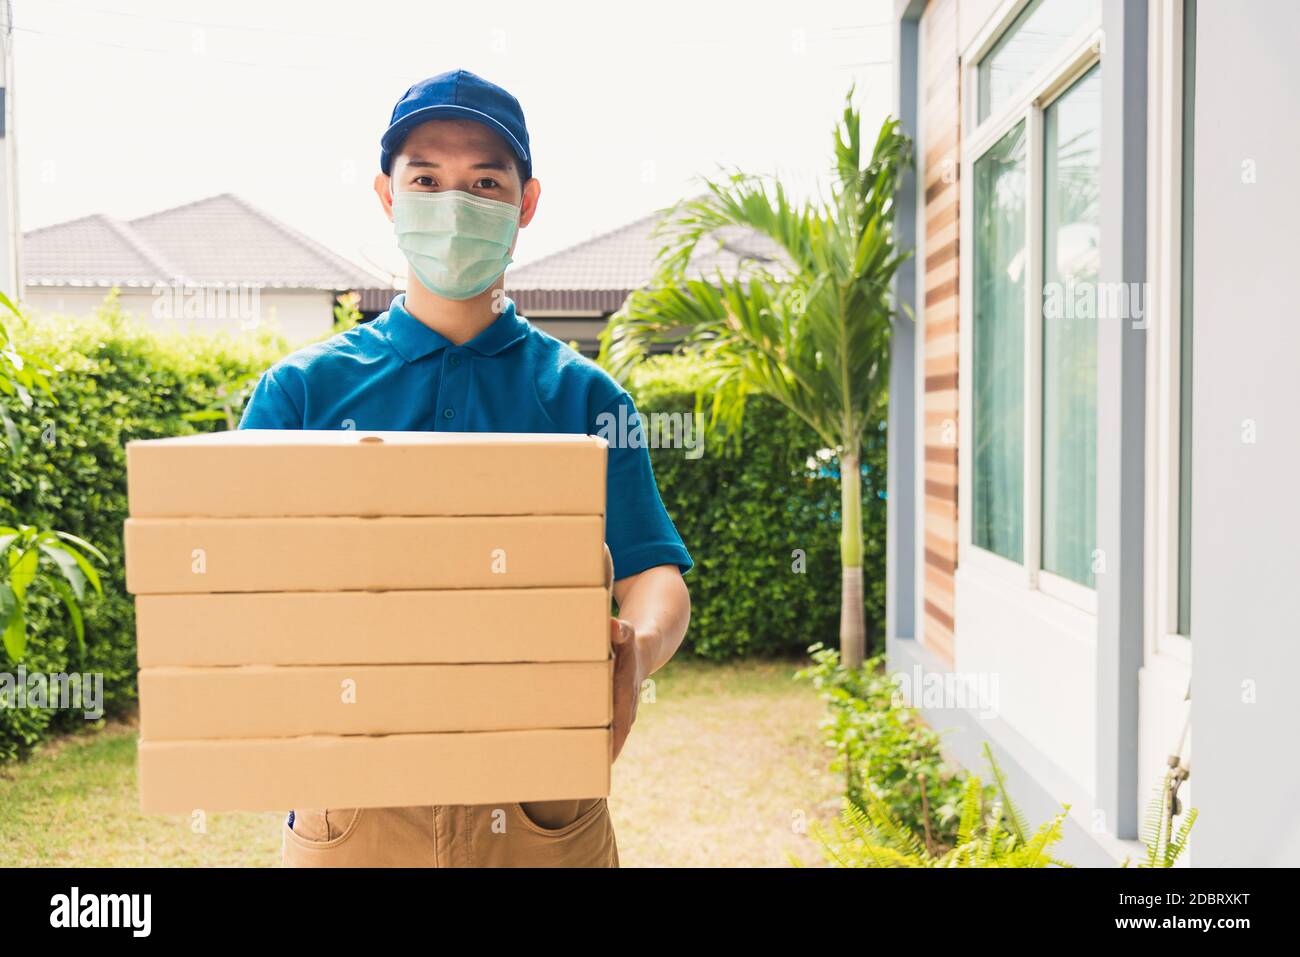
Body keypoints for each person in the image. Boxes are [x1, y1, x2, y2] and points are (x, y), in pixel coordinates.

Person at [239, 68, 692, 867]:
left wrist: (636, 646)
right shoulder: (302, 393)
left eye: (484, 181)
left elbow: (655, 574)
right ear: (388, 196)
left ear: (525, 203)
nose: (454, 205)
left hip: (541, 808)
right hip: (351, 805)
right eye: (427, 179)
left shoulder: (586, 396)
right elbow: (234, 588)